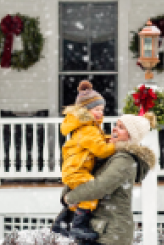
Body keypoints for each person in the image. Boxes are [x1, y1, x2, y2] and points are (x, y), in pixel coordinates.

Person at [62, 114, 159, 245]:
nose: (114, 129)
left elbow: (101, 186)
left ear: (131, 136)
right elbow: (84, 175)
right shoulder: (109, 155)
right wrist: (67, 192)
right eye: (116, 125)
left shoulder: (124, 160)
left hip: (112, 232)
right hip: (99, 228)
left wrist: (71, 197)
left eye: (121, 127)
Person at [53, 80, 116, 241]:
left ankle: (62, 222)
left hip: (74, 169)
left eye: (102, 109)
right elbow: (101, 150)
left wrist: (109, 139)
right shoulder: (88, 129)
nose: (100, 112)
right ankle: (78, 227)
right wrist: (118, 146)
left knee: (80, 197)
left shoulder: (88, 127)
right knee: (91, 191)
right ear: (86, 111)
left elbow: (99, 142)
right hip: (76, 171)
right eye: (96, 109)